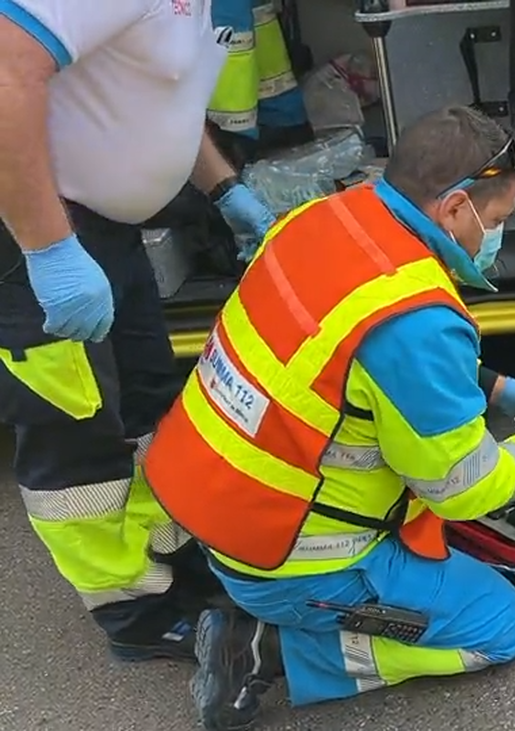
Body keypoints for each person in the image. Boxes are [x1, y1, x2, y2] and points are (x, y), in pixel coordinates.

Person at [141, 106, 515, 730]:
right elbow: (465, 487)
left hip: (214, 510)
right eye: (494, 221)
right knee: (498, 627)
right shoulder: (417, 323)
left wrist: (500, 388)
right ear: (453, 209)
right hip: (293, 558)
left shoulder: (322, 219)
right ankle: (267, 650)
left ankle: (262, 614)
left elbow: (347, 356)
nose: (492, 238)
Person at [0, 0, 278, 662]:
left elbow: (156, 99)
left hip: (106, 230)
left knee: (152, 399)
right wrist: (47, 250)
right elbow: (6, 71)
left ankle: (172, 560)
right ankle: (129, 608)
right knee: (75, 436)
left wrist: (222, 187)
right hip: (33, 229)